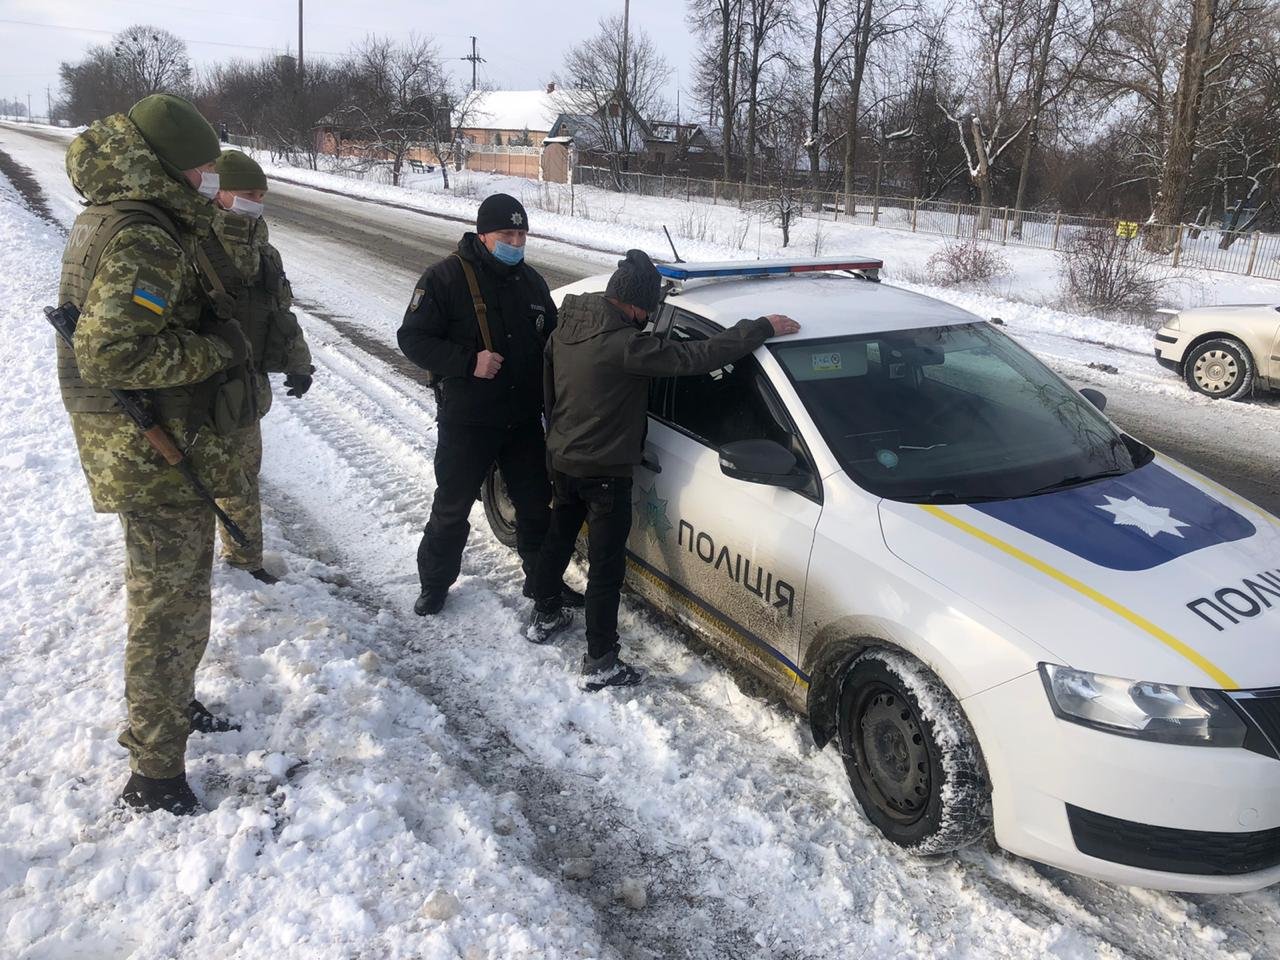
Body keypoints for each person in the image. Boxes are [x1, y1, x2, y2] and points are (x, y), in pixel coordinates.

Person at [57, 94, 256, 814]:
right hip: (149, 455)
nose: (211, 177)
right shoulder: (145, 235)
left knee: (173, 599)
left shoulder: (126, 214)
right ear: (170, 165)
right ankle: (155, 770)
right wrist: (211, 351)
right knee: (167, 608)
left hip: (145, 446)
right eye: (202, 166)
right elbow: (108, 349)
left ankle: (166, 710)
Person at [528, 250, 801, 691]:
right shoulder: (625, 346)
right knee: (605, 569)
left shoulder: (571, 324)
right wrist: (760, 328)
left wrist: (557, 439)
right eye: (647, 308)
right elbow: (696, 357)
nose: (649, 316)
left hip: (563, 456)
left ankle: (543, 610)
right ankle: (600, 660)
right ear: (632, 304)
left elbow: (549, 388)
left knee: (560, 532)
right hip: (603, 469)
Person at [398, 193, 582, 616]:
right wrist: (467, 361)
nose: (515, 243)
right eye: (507, 234)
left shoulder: (532, 282)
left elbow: (553, 340)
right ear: (483, 236)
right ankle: (435, 584)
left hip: (521, 421)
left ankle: (542, 584)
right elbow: (412, 338)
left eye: (521, 235)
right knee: (453, 506)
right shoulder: (444, 279)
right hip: (469, 420)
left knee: (536, 508)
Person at [207, 149, 314, 585]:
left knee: (243, 473)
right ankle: (191, 561)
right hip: (200, 381)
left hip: (245, 384)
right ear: (220, 195)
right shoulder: (196, 243)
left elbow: (279, 313)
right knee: (196, 477)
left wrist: (298, 362)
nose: (256, 202)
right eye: (247, 193)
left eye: (261, 194)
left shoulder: (264, 248)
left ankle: (244, 561)